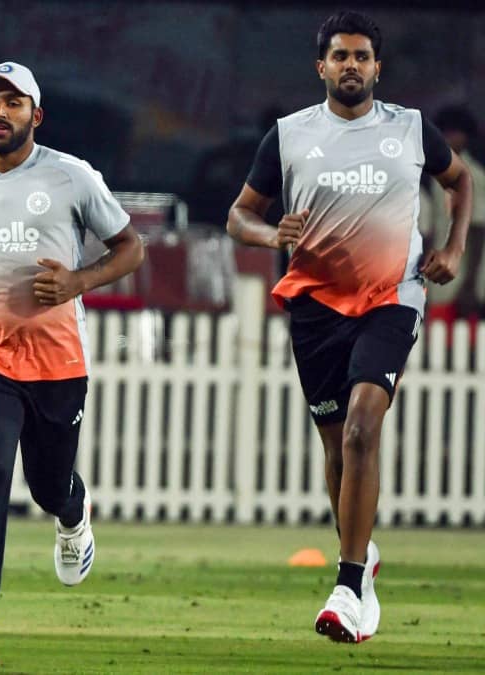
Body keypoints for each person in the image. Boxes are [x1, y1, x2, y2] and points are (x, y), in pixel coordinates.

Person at [226, 11, 471, 644]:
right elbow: (239, 217)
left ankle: (349, 580)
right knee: (337, 445)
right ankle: (360, 562)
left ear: (377, 68)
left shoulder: (411, 129)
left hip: (392, 297)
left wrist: (452, 247)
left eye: (362, 56)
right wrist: (267, 231)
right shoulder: (288, 136)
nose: (352, 66)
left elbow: (459, 180)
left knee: (365, 424)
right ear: (322, 67)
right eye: (341, 56)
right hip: (314, 307)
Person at [0, 61, 145, 672]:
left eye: (14, 102)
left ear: (36, 115)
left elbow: (131, 248)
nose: (0, 111)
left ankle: (73, 515)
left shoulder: (73, 177)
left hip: (56, 361)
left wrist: (80, 279)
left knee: (49, 486)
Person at [427, 106, 485, 317]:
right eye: (445, 133)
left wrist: (469, 283)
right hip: (437, 273)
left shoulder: (474, 176)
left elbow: (478, 230)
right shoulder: (437, 174)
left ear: (466, 136)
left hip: (464, 279)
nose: (449, 138)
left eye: (455, 133)